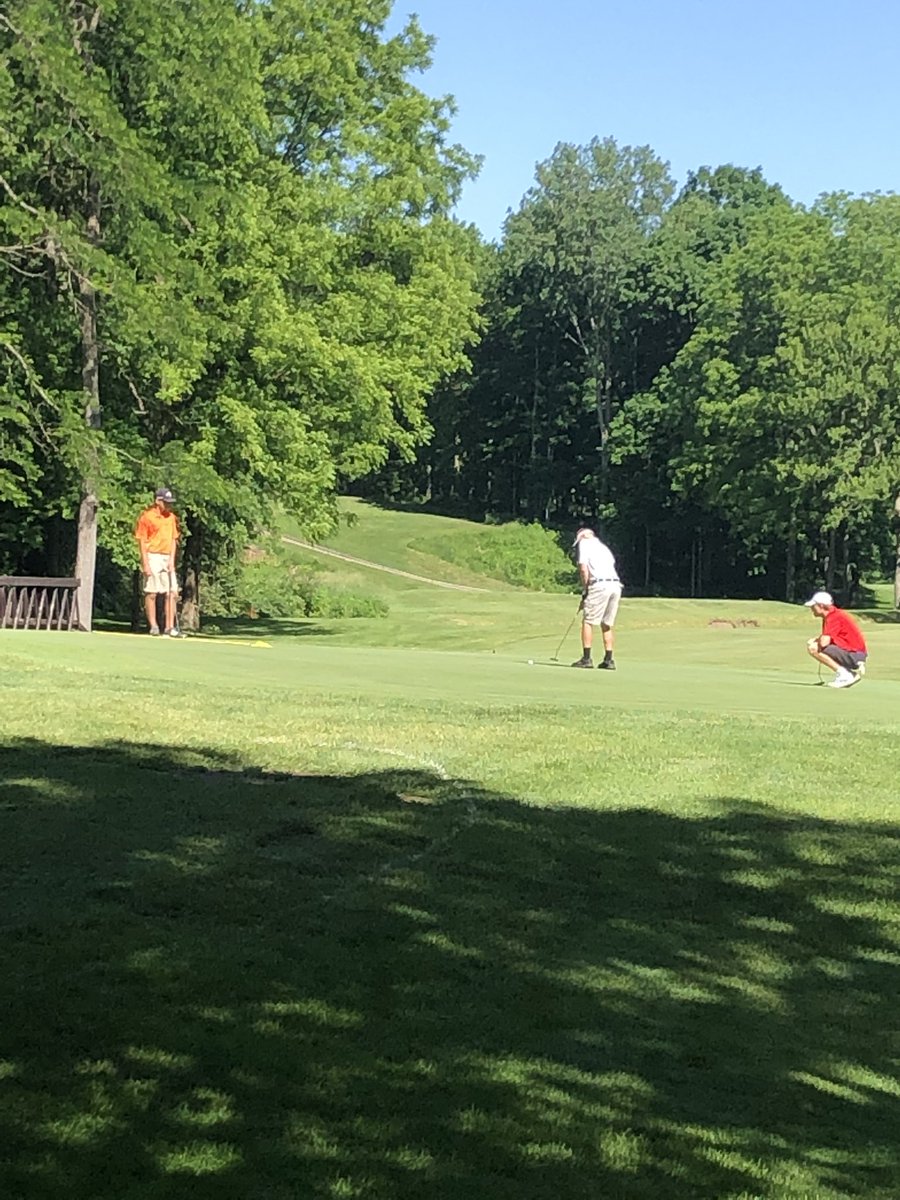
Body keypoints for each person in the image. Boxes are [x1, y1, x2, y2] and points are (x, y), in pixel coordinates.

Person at [571, 527, 622, 669]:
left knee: (588, 621)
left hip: (599, 584)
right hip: (615, 585)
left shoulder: (585, 544)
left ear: (582, 537)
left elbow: (583, 568)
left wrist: (586, 590)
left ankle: (586, 659)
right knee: (606, 623)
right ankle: (609, 660)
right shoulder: (603, 548)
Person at [134, 487, 180, 636]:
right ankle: (153, 626)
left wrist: (172, 560)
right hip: (152, 555)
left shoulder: (171, 518)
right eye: (166, 503)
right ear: (157, 501)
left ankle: (169, 627)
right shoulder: (147, 517)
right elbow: (141, 541)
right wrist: (145, 563)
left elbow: (174, 539)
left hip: (167, 557)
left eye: (170, 503)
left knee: (172, 593)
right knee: (152, 592)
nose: (168, 506)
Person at [804, 590, 867, 689]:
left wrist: (816, 641)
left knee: (813, 647)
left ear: (821, 606)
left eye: (813, 606)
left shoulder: (833, 617)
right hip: (854, 653)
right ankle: (847, 674)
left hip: (854, 655)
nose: (812, 609)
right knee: (816, 645)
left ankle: (845, 675)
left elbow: (824, 643)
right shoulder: (833, 614)